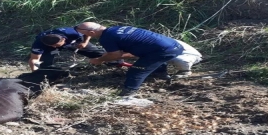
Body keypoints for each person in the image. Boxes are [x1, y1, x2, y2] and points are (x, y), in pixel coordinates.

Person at [74, 22, 202, 96]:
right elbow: (128, 50)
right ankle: (160, 75)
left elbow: (114, 55)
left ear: (91, 33)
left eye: (84, 34)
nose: (84, 37)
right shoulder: (115, 29)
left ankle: (128, 92)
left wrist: (100, 60)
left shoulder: (106, 38)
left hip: (164, 50)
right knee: (150, 60)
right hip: (174, 45)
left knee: (136, 71)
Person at [28, 26, 131, 71]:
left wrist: (85, 42)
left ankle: (119, 63)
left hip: (75, 42)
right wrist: (35, 71)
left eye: (57, 45)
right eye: (53, 46)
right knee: (44, 63)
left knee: (97, 53)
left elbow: (89, 32)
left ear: (63, 39)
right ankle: (45, 75)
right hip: (48, 47)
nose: (55, 47)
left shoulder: (71, 32)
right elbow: (34, 59)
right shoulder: (39, 44)